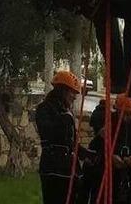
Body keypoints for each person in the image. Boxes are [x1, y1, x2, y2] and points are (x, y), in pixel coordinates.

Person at [34, 70, 94, 204]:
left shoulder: (66, 110)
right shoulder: (44, 109)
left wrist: (86, 154)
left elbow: (69, 143)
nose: (74, 97)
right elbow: (49, 133)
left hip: (69, 170)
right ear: (61, 91)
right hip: (54, 171)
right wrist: (65, 119)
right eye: (72, 92)